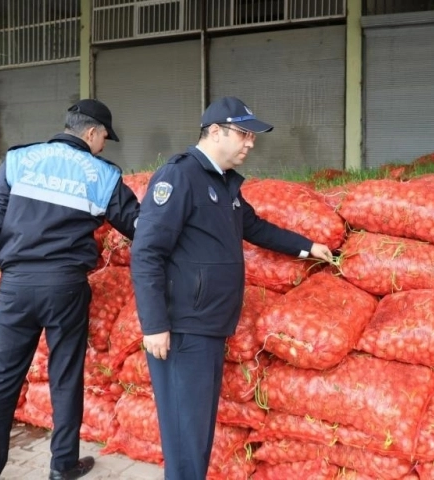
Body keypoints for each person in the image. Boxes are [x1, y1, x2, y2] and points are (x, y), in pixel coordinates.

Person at [130, 96, 334, 480]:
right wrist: (153, 324)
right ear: (216, 132)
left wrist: (306, 246)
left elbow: (254, 228)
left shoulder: (223, 185)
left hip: (210, 325)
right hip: (181, 328)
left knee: (198, 432)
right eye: (244, 134)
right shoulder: (179, 177)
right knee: (185, 436)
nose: (250, 143)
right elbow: (147, 252)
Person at [0, 99, 140, 480]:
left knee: (0, 381)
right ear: (93, 132)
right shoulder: (102, 175)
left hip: (16, 285)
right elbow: (139, 227)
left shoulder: (19, 160)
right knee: (65, 375)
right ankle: (63, 466)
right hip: (65, 286)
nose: (103, 147)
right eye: (104, 140)